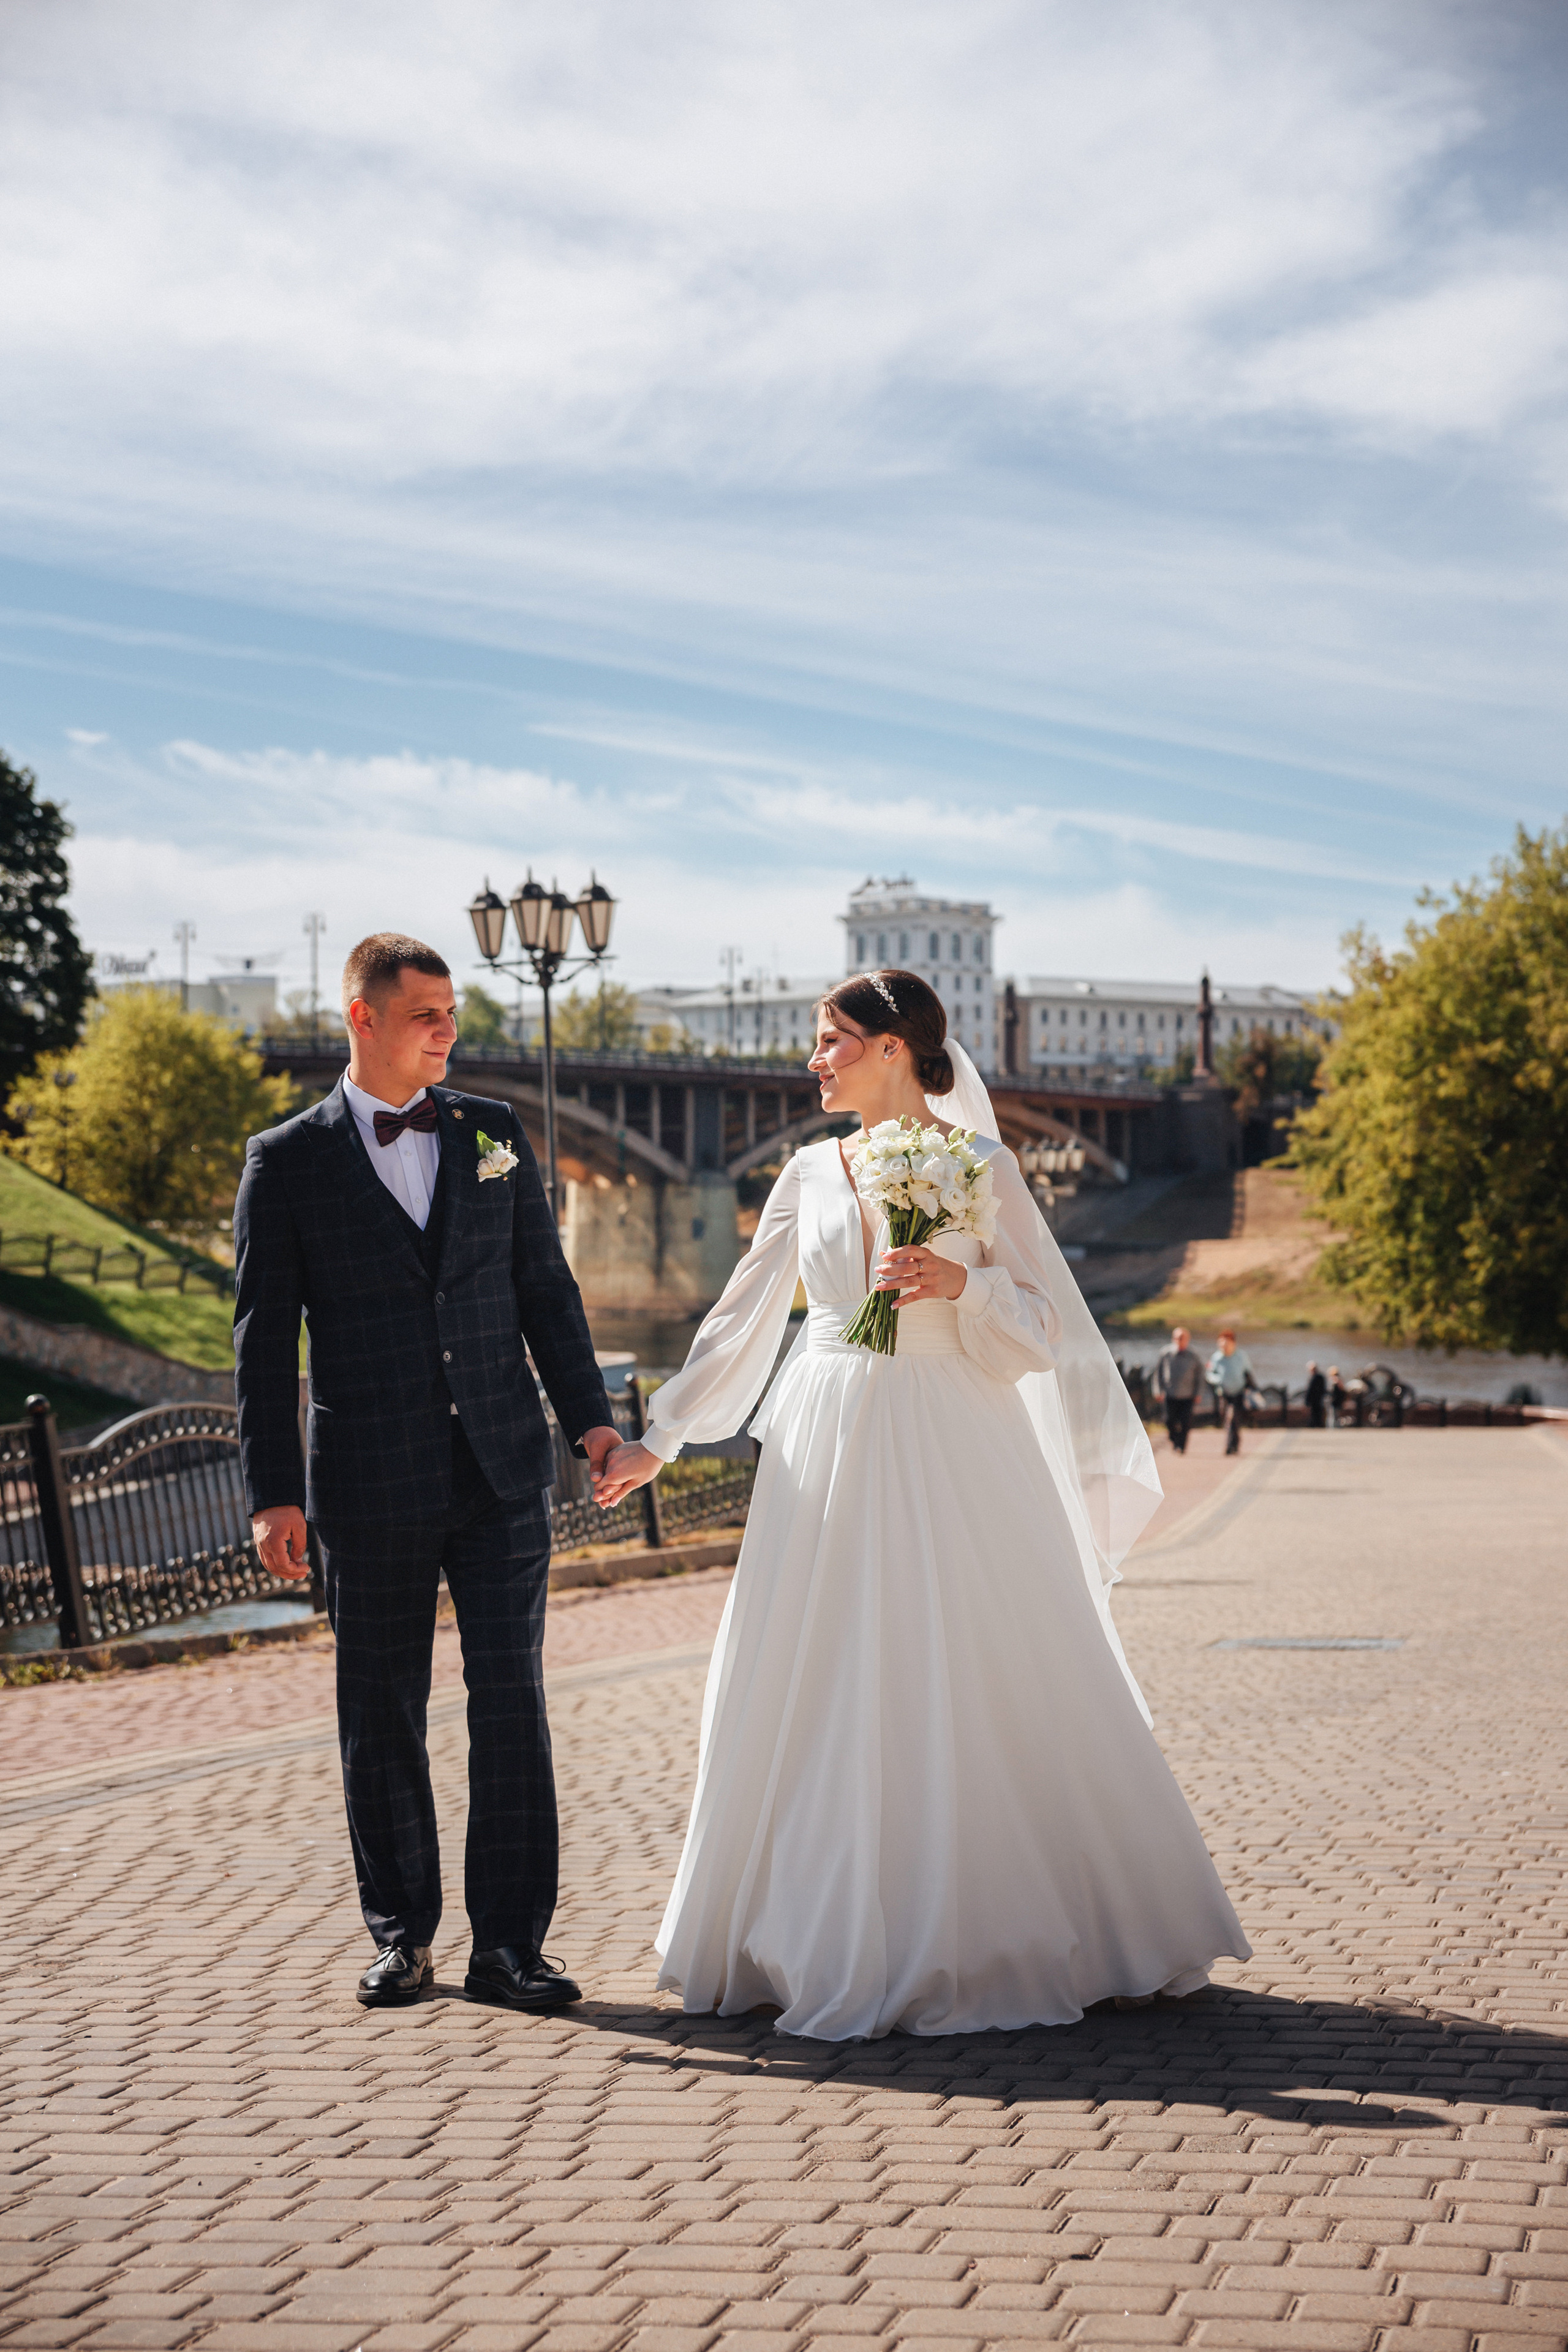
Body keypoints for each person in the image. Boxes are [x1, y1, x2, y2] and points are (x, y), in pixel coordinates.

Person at [596, 969, 1249, 2041]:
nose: (816, 1059)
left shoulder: (984, 1163)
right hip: (826, 1438)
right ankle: (804, 1930)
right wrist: (659, 1437)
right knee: (821, 1670)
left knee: (972, 1661)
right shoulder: (805, 1173)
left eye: (832, 1040)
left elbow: (1044, 1328)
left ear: (895, 1048)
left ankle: (996, 1928)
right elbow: (742, 1318)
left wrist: (964, 1289)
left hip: (955, 1434)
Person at [233, 933, 620, 2013]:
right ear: (361, 1019)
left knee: (511, 1705)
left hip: (501, 1466)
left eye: (454, 1013)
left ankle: (510, 1947)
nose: (449, 1031)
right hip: (366, 1477)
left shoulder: (493, 1135)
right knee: (381, 1710)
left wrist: (591, 1426)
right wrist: (274, 1493)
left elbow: (546, 1292)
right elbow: (264, 1342)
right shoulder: (287, 1160)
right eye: (426, 1015)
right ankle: (402, 1937)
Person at [1152, 1325, 1203, 1453]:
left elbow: (1200, 1376)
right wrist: (1158, 1390)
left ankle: (1181, 1445)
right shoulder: (1166, 1353)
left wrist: (1198, 1393)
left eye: (1182, 1338)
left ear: (1187, 1339)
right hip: (1170, 1394)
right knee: (1169, 1420)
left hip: (1188, 1395)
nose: (1179, 1341)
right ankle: (1174, 1439)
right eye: (1176, 1338)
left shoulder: (1193, 1355)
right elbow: (1158, 1373)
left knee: (1185, 1422)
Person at [1207, 1327, 1255, 1457]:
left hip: (1239, 1392)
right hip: (1224, 1393)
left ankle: (1231, 1445)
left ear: (1233, 1343)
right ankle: (1232, 1444)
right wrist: (1218, 1380)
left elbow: (1248, 1373)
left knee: (1234, 1418)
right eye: (1222, 1344)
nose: (1224, 1346)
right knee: (1228, 1418)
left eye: (1227, 1343)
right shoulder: (1217, 1358)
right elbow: (1210, 1374)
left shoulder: (1241, 1356)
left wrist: (1251, 1388)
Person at [1304, 1362, 1327, 1428]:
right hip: (1319, 1399)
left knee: (1315, 1414)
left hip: (1315, 1400)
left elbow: (1310, 1390)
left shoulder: (1315, 1378)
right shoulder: (1321, 1377)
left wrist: (1307, 1401)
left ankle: (1316, 1426)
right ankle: (1318, 1425)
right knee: (1318, 1414)